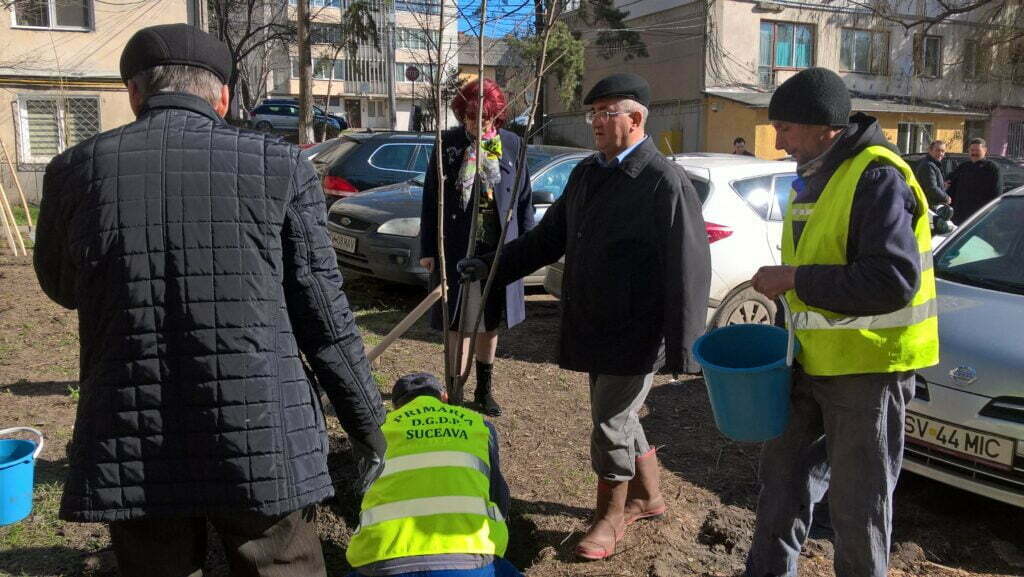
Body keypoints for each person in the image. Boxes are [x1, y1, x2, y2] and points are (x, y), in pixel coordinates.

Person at [33, 24, 386, 577]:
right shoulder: (282, 167)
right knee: (281, 565)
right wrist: (367, 423)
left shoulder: (73, 170)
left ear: (134, 92)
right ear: (221, 96)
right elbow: (323, 312)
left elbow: (61, 286)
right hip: (261, 432)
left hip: (134, 432)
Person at [457, 73, 711, 561]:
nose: (594, 121)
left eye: (605, 112)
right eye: (591, 113)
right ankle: (649, 496)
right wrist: (491, 266)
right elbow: (545, 240)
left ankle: (610, 517)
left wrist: (682, 348)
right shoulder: (589, 174)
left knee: (611, 420)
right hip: (594, 321)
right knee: (618, 414)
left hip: (637, 330)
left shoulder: (663, 182)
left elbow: (689, 270)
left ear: (635, 119)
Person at [748, 67, 939, 577]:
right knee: (781, 486)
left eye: (786, 128)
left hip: (869, 371)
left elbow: (891, 281)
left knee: (858, 508)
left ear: (824, 127)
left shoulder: (877, 176)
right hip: (811, 365)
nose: (779, 139)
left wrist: (794, 279)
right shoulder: (814, 176)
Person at [419, 78, 534, 417]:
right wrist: (428, 248)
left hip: (499, 251)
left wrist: (527, 249)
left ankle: (484, 390)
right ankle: (455, 387)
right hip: (456, 249)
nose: (475, 123)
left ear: (496, 116)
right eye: (469, 116)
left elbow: (524, 201)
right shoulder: (448, 144)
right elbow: (431, 199)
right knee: (458, 321)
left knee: (490, 321)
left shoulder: (513, 145)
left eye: (483, 117)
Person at [346, 373, 523, 577]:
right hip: (468, 560)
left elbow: (365, 490)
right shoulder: (479, 426)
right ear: (444, 398)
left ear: (396, 408)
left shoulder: (381, 429)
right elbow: (498, 496)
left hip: (384, 563)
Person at [947, 137, 1003, 224]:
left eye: (977, 150)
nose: (974, 153)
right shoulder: (963, 167)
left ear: (985, 150)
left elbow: (997, 193)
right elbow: (950, 185)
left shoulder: (992, 168)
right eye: (972, 150)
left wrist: (991, 212)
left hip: (980, 215)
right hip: (959, 216)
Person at [913, 139, 950, 207]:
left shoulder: (933, 164)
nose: (940, 153)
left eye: (943, 151)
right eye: (938, 150)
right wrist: (946, 198)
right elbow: (931, 188)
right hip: (929, 206)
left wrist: (943, 186)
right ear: (930, 150)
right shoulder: (928, 165)